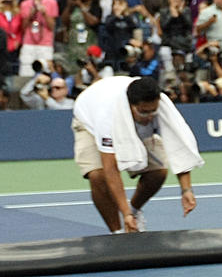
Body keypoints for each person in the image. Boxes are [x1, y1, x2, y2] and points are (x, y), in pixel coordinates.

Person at [71, 76, 201, 233]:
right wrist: (124, 214)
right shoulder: (107, 117)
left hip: (133, 127)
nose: (150, 116)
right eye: (144, 112)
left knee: (158, 172)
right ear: (131, 106)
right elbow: (110, 169)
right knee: (98, 176)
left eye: (153, 111)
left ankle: (134, 210)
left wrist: (186, 190)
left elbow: (178, 146)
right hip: (88, 122)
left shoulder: (161, 104)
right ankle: (117, 233)